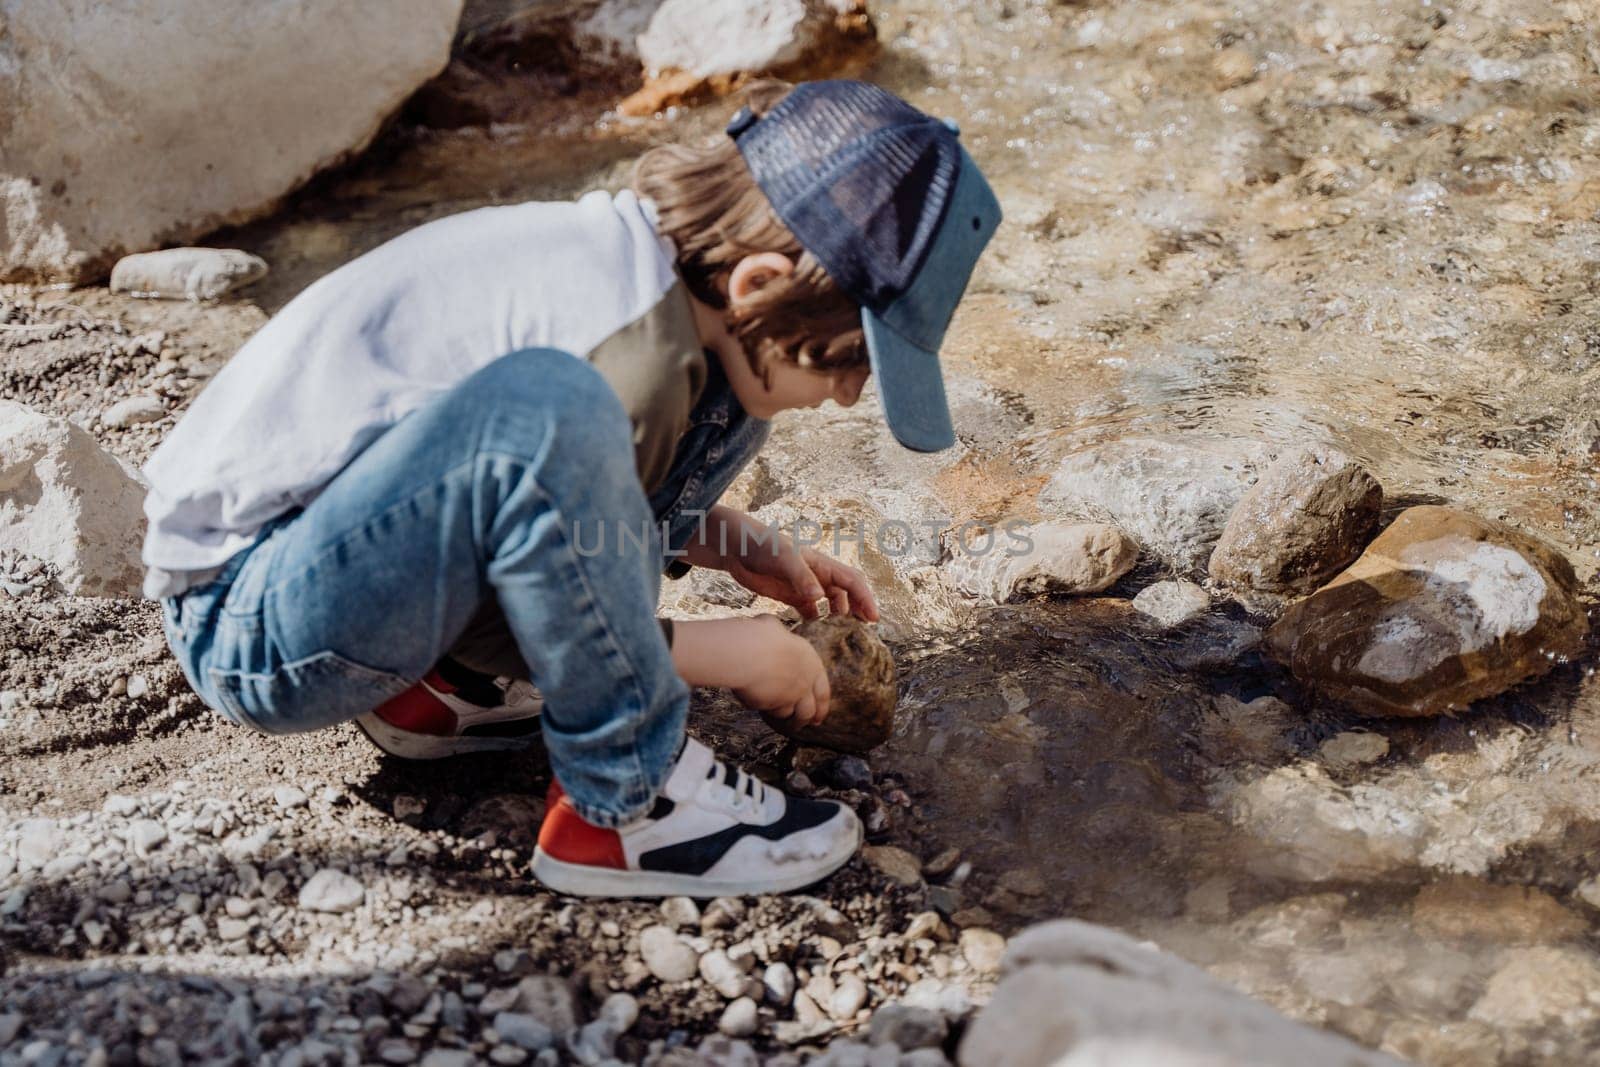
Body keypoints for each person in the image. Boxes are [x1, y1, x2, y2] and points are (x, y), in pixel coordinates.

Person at [141, 79, 1001, 898]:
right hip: (248, 618)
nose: (851, 393)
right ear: (760, 282)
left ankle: (440, 691)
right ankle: (625, 807)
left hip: (340, 560)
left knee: (734, 394)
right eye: (854, 362)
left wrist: (724, 535)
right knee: (564, 405)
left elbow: (530, 503)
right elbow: (538, 496)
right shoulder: (617, 343)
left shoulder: (652, 281)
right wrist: (727, 651)